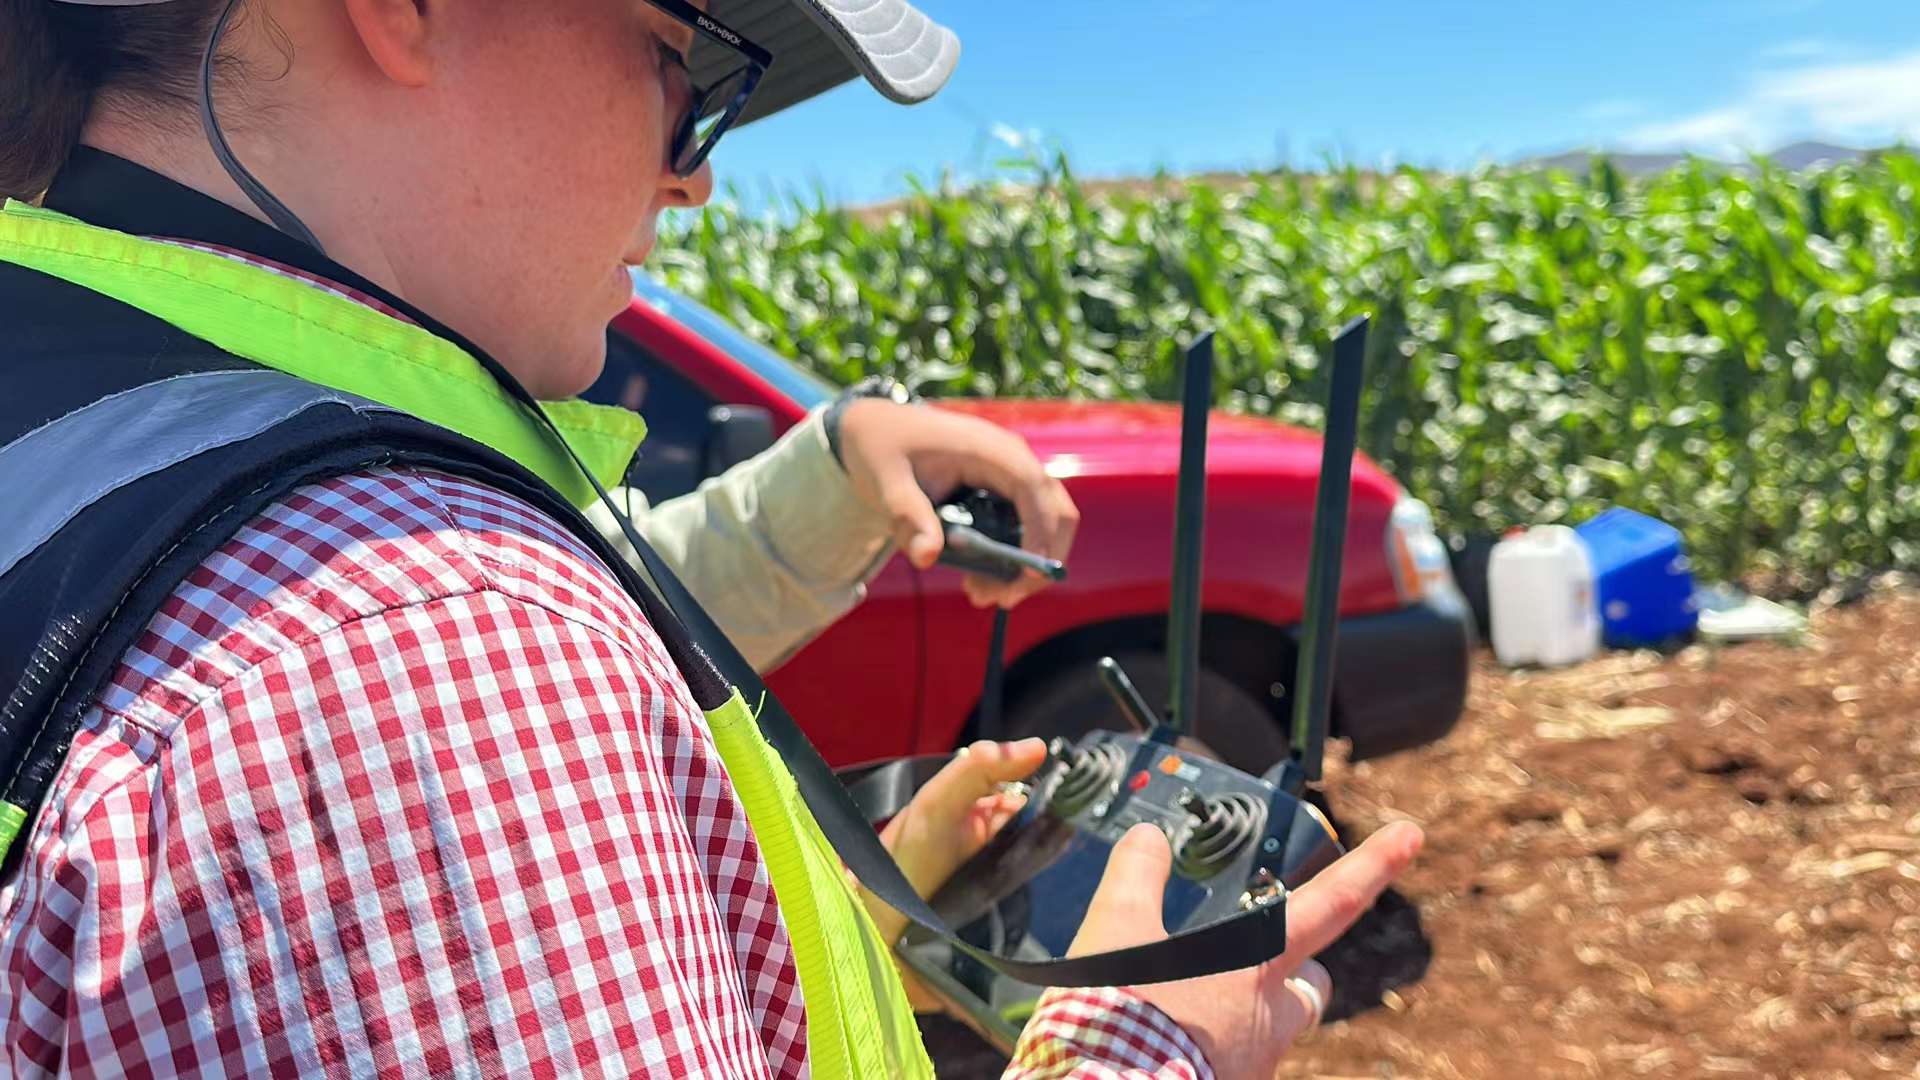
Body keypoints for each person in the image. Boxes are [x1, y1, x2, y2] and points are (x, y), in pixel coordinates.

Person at [0, 0, 1425, 1077]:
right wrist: (1140, 1048)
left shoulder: (72, 415)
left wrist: (817, 927)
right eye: (688, 75)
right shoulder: (415, 649)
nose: (693, 181)